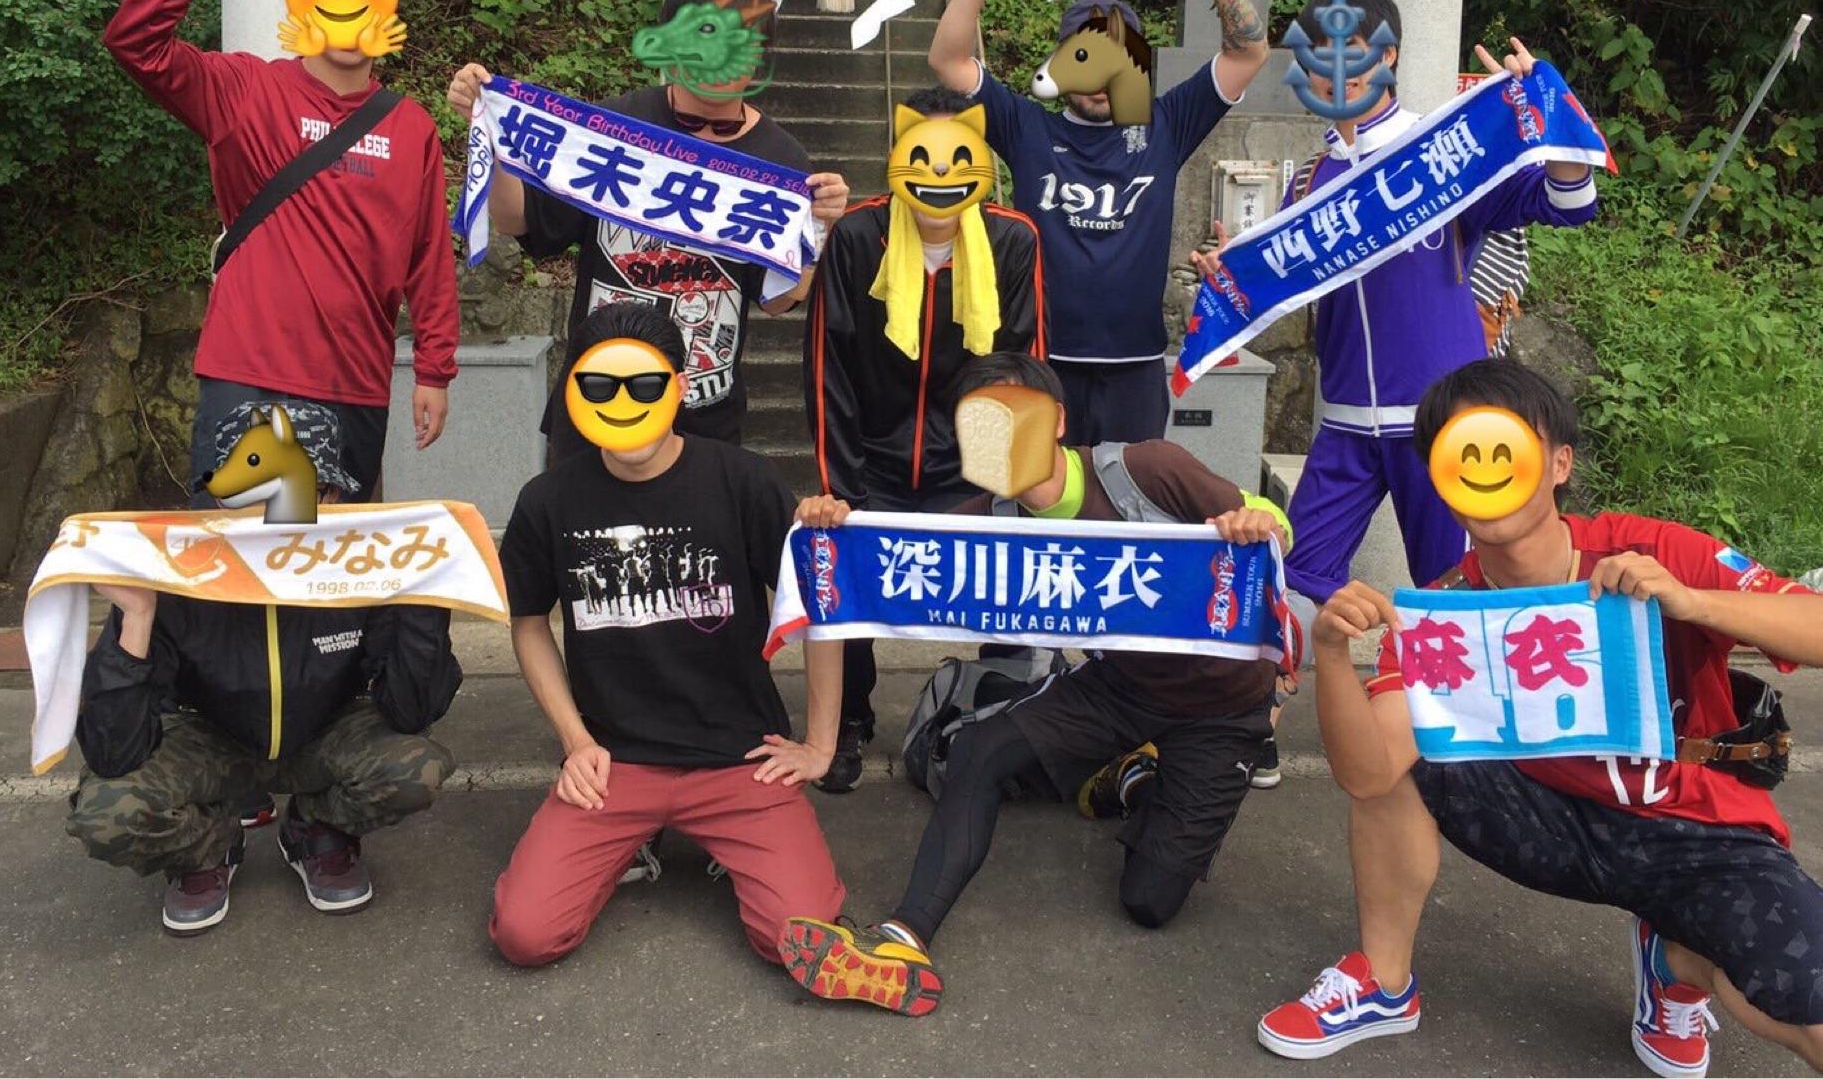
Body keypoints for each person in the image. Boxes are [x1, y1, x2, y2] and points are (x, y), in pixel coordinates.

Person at [1256, 360, 1823, 1077]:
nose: (1485, 466)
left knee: (1799, 1001)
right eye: (1461, 451)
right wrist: (1334, 657)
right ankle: (1382, 979)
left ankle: (1676, 962)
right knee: (1407, 751)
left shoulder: (1653, 553)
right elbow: (1370, 776)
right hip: (1545, 819)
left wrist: (1696, 603)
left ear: (1558, 462)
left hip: (1697, 829)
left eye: (1506, 445)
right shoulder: (1441, 615)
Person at [779, 352, 1292, 1015]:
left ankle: (1135, 779)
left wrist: (1258, 526)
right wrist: (831, 526)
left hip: (1224, 711)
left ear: (1056, 422)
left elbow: (1275, 527)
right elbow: (877, 554)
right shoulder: (990, 517)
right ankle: (903, 937)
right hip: (1120, 687)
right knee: (977, 751)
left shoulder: (1146, 470)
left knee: (1149, 901)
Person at [1194, 30, 1600, 788]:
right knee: (1292, 578)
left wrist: (1542, 108)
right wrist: (1232, 272)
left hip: (1441, 426)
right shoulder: (1313, 175)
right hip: (1344, 420)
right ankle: (1254, 731)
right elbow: (1284, 280)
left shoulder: (1440, 154)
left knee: (1464, 578)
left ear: (1387, 61)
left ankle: (1507, 750)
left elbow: (1567, 200)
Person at [488, 303, 846, 971]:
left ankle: (714, 845)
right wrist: (576, 742)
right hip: (615, 763)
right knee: (525, 935)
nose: (623, 404)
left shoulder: (742, 479)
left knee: (800, 944)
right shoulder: (549, 499)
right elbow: (529, 623)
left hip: (741, 758)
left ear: (679, 388)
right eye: (599, 387)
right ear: (573, 394)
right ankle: (636, 839)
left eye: (646, 385)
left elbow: (822, 606)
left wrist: (820, 745)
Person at [104, 0, 458, 503]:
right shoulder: (245, 91)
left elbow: (428, 259)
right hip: (248, 375)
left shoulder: (412, 128)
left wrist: (435, 370)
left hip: (354, 385)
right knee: (230, 570)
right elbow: (135, 43)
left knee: (325, 581)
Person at [64, 403, 461, 933]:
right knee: (105, 814)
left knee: (416, 769)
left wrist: (423, 603)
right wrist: (136, 615)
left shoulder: (364, 568)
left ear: (333, 497)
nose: (271, 515)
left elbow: (411, 711)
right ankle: (208, 848)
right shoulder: (175, 573)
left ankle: (315, 827)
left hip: (324, 733)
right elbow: (114, 752)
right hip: (210, 737)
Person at [446, 0, 849, 464]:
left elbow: (776, 299)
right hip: (597, 405)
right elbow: (516, 221)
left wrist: (819, 228)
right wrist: (495, 133)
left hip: (706, 420)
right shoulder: (613, 127)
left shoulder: (779, 158)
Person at [926, 0, 1271, 445]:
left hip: (1136, 367)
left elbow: (1248, 55)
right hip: (1041, 361)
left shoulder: (1166, 126)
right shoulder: (1028, 128)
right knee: (1041, 508)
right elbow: (948, 62)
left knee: (1129, 510)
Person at [803, 86, 1047, 793]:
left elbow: (1027, 364)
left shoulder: (1012, 238)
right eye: (923, 157)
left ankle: (1005, 714)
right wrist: (836, 484)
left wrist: (1014, 476)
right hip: (874, 457)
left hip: (971, 465)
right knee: (846, 578)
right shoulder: (857, 235)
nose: (940, 176)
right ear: (898, 157)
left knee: (1012, 581)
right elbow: (828, 367)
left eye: (958, 158)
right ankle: (848, 719)